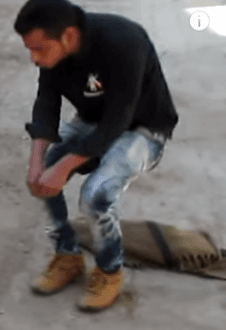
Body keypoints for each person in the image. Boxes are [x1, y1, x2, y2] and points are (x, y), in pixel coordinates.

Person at [13, 0, 179, 311]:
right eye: (29, 50)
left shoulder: (124, 40)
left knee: (96, 195)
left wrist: (66, 166)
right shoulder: (53, 52)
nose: (34, 58)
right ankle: (68, 256)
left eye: (39, 49)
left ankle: (109, 271)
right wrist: (37, 161)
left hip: (144, 128)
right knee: (44, 176)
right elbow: (46, 102)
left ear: (69, 36)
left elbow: (117, 120)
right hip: (93, 121)